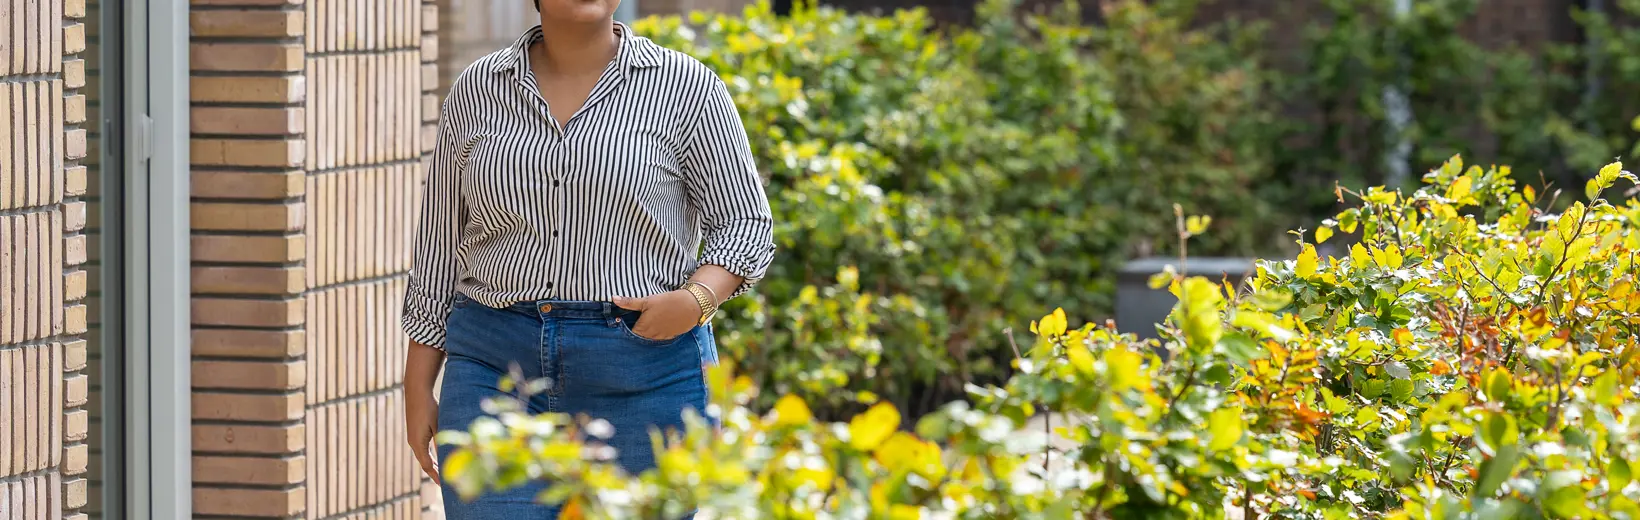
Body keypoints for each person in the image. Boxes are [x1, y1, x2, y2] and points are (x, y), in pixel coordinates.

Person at [399, 0, 776, 516]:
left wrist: (696, 301)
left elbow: (745, 221)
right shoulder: (476, 90)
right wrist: (418, 384)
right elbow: (439, 243)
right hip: (493, 370)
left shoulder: (687, 88)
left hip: (645, 369)